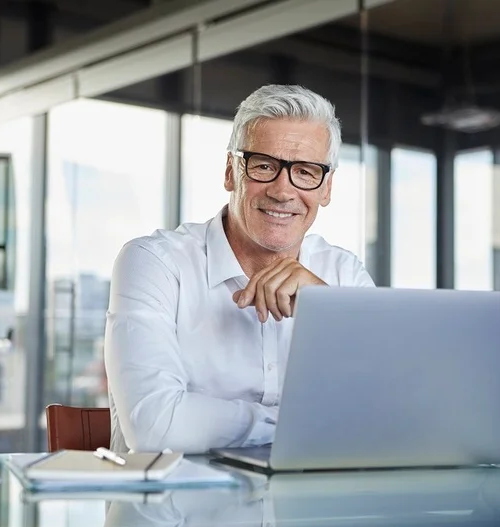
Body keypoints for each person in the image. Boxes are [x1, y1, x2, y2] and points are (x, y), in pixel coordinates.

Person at [104, 84, 374, 454]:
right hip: (173, 510)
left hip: (307, 507)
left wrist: (328, 312)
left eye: (306, 172)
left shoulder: (343, 274)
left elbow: (389, 411)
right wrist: (301, 422)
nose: (283, 191)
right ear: (231, 172)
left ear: (326, 189)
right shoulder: (155, 263)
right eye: (264, 166)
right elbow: (156, 427)